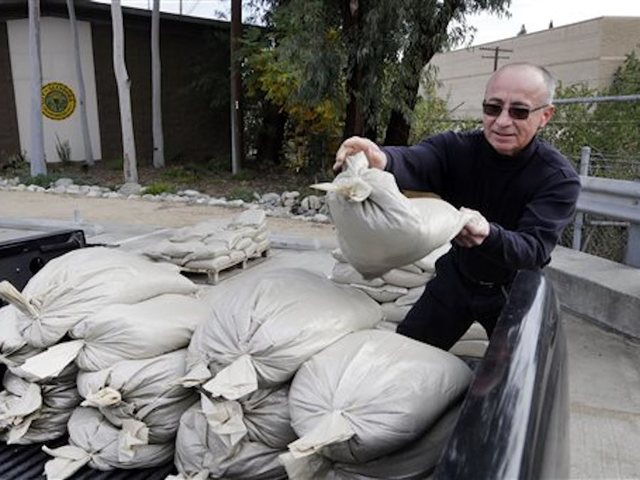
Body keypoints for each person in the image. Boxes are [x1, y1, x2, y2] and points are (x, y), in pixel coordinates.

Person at [333, 62, 581, 351]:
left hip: (513, 290)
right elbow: (418, 160)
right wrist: (380, 158)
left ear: (545, 116)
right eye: (493, 108)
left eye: (519, 111)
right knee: (403, 354)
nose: (502, 121)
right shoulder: (457, 149)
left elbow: (533, 250)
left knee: (515, 380)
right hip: (458, 277)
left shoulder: (557, 178)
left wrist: (487, 233)